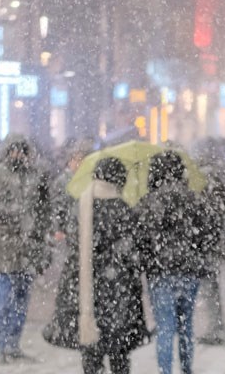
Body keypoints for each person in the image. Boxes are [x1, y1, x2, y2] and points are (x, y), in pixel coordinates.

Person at [0, 134, 51, 363]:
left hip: (27, 247)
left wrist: (41, 235)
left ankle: (14, 344)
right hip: (2, 246)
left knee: (21, 300)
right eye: (13, 150)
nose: (17, 155)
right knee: (2, 299)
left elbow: (43, 208)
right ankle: (3, 345)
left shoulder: (35, 176)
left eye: (21, 150)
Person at [137, 151, 208, 374]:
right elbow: (204, 235)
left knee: (165, 327)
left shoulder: (148, 201)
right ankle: (187, 368)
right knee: (186, 325)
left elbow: (141, 240)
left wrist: (148, 264)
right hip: (189, 270)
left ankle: (164, 371)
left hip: (160, 272)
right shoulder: (193, 199)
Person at [76, 157, 148, 374]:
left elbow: (74, 249)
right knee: (119, 352)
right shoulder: (123, 209)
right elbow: (134, 254)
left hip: (87, 292)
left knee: (91, 352)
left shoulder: (81, 205)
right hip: (119, 291)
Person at [43, 139, 93, 348]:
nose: (79, 163)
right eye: (77, 159)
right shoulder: (63, 181)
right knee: (69, 281)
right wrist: (58, 229)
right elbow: (56, 207)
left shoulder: (86, 181)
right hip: (69, 238)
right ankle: (66, 323)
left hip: (82, 237)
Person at [196, 160, 225, 345]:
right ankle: (215, 329)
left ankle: (215, 330)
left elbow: (209, 224)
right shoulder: (217, 192)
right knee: (211, 291)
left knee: (209, 291)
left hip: (207, 249)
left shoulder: (208, 194)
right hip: (212, 249)